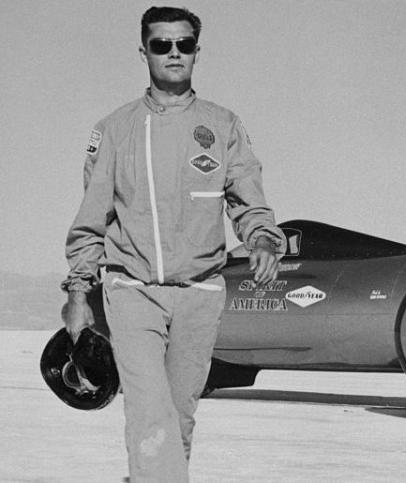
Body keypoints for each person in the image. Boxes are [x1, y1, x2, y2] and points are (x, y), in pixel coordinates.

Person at [61, 6, 286, 481]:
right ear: (143, 51)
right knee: (149, 413)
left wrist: (263, 238)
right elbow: (90, 220)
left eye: (184, 44)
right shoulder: (115, 130)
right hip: (132, 291)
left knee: (178, 418)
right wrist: (79, 293)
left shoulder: (223, 126)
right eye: (162, 44)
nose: (174, 53)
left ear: (197, 52)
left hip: (200, 293)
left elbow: (249, 200)